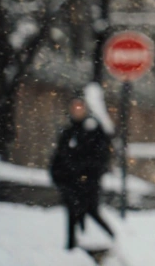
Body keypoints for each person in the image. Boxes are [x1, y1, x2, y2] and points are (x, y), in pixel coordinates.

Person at [50, 96, 115, 251]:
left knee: (91, 211)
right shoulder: (68, 133)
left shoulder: (94, 131)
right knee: (72, 215)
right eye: (75, 108)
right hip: (70, 184)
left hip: (88, 184)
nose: (77, 111)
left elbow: (101, 158)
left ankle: (112, 239)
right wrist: (59, 177)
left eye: (80, 107)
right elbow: (59, 158)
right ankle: (72, 248)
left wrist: (87, 176)